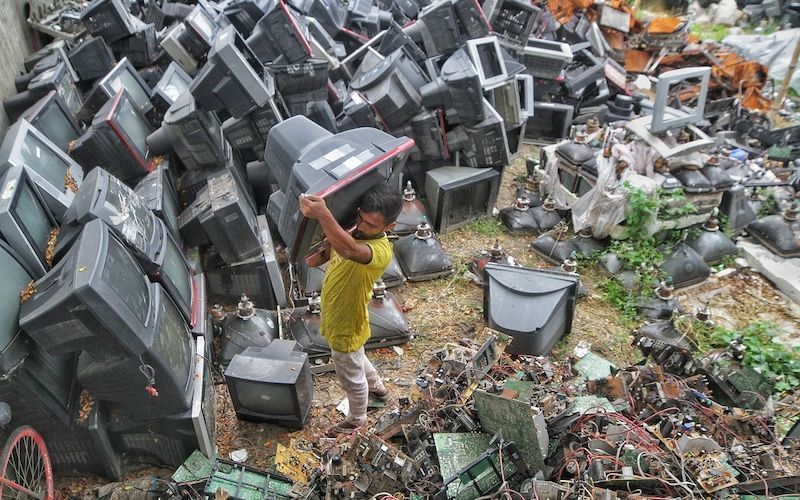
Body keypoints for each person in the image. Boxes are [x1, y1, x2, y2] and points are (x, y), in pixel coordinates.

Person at [299, 183, 403, 434]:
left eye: (371, 225)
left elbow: (349, 250)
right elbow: (319, 257)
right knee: (357, 358)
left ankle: (357, 418)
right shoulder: (353, 231)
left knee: (350, 373)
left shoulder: (379, 250)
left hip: (346, 321)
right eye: (361, 218)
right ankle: (378, 387)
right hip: (339, 314)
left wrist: (324, 215)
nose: (363, 226)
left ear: (389, 227)